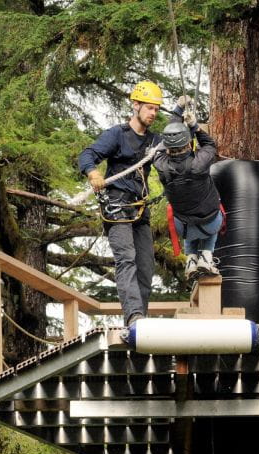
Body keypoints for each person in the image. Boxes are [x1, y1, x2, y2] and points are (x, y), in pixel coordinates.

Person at [77, 80, 163, 326]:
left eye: (156, 109)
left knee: (146, 266)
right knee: (126, 259)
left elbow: (175, 148)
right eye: (149, 108)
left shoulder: (154, 141)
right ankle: (134, 316)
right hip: (117, 208)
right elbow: (88, 154)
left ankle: (140, 318)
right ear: (135, 105)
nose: (153, 114)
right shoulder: (118, 134)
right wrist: (93, 174)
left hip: (139, 209)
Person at [153, 97, 223, 281]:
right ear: (187, 143)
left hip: (182, 228)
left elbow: (163, 143)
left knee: (187, 218)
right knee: (214, 211)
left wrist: (178, 110)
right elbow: (209, 145)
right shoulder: (198, 164)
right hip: (209, 223)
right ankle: (206, 256)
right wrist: (195, 127)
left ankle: (191, 259)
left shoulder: (160, 164)